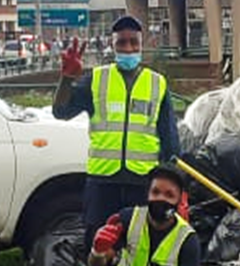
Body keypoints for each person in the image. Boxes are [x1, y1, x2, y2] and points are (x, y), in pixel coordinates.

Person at [53, 14, 181, 253]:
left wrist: (175, 187)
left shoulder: (157, 84)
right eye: (121, 43)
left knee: (139, 246)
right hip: (102, 182)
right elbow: (61, 111)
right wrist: (67, 79)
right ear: (113, 45)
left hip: (142, 182)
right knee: (99, 245)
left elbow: (171, 143)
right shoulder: (96, 79)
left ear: (143, 45)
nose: (128, 48)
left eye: (134, 43)